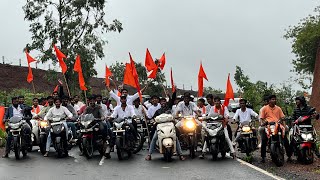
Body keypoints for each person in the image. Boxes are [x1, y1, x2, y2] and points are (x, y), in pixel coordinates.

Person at [259, 95, 291, 163]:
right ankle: (263, 157)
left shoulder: (278, 108)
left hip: (278, 125)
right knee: (264, 140)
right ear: (269, 101)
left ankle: (289, 155)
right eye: (272, 99)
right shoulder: (264, 108)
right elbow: (261, 118)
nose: (274, 100)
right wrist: (263, 123)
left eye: (275, 99)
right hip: (268, 126)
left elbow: (282, 117)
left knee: (285, 139)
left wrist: (284, 126)